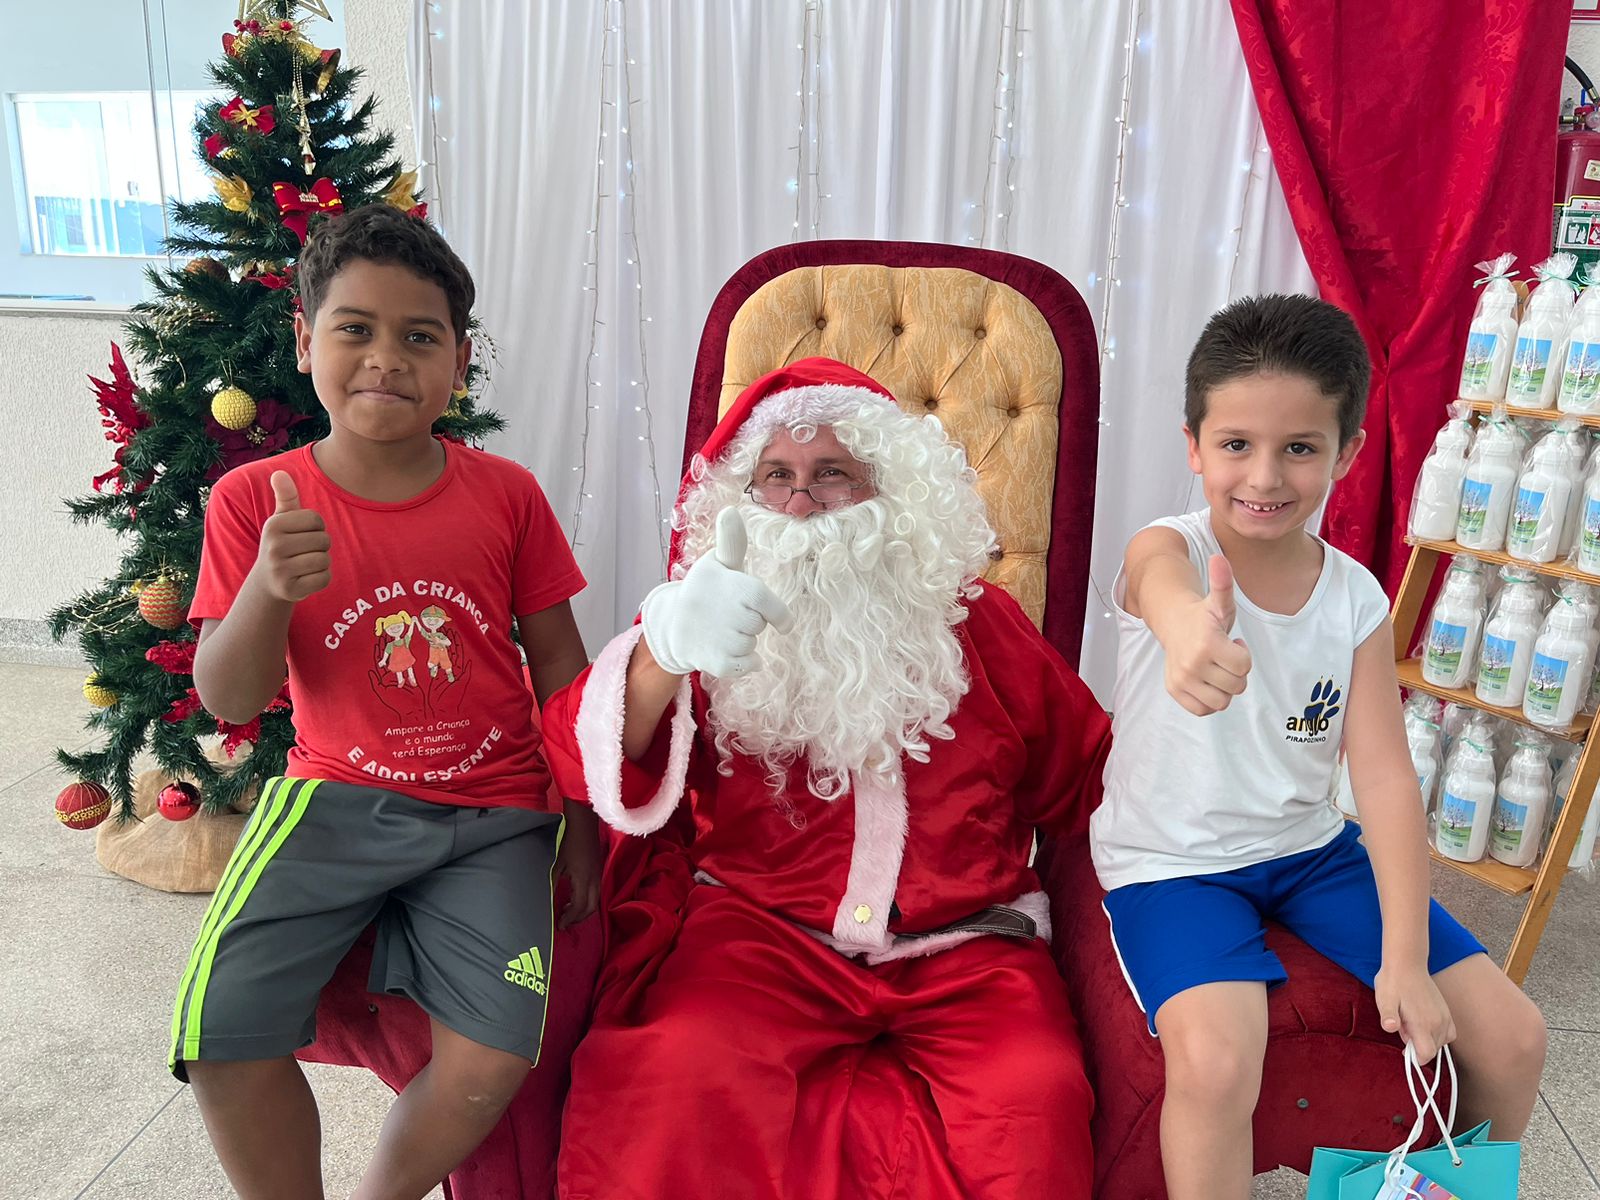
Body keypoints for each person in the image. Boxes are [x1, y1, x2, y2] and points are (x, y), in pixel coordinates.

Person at [541, 357, 1111, 1200]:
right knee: (666, 1079)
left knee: (1035, 1104)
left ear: (889, 489)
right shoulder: (707, 616)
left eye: (832, 473)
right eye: (776, 476)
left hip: (968, 950)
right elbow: (573, 756)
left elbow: (1089, 776)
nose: (801, 502)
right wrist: (662, 652)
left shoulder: (978, 620)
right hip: (759, 939)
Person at [168, 203, 599, 1200]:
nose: (386, 360)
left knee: (491, 1060)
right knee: (218, 1039)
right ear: (305, 340)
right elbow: (228, 696)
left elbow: (561, 670)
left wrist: (579, 823)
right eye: (355, 328)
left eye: (420, 337)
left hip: (496, 816)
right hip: (331, 802)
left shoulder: (508, 495)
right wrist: (269, 589)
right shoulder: (254, 501)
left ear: (460, 360)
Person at [1090, 294, 1547, 1200]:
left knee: (1514, 1037)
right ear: (1193, 446)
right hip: (1173, 864)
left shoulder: (1356, 596)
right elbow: (1157, 581)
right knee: (1219, 1063)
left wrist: (1405, 958)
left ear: (1347, 452)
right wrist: (1185, 632)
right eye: (1236, 444)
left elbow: (1383, 777)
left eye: (1299, 447)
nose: (1264, 475)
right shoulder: (1168, 548)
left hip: (1309, 852)